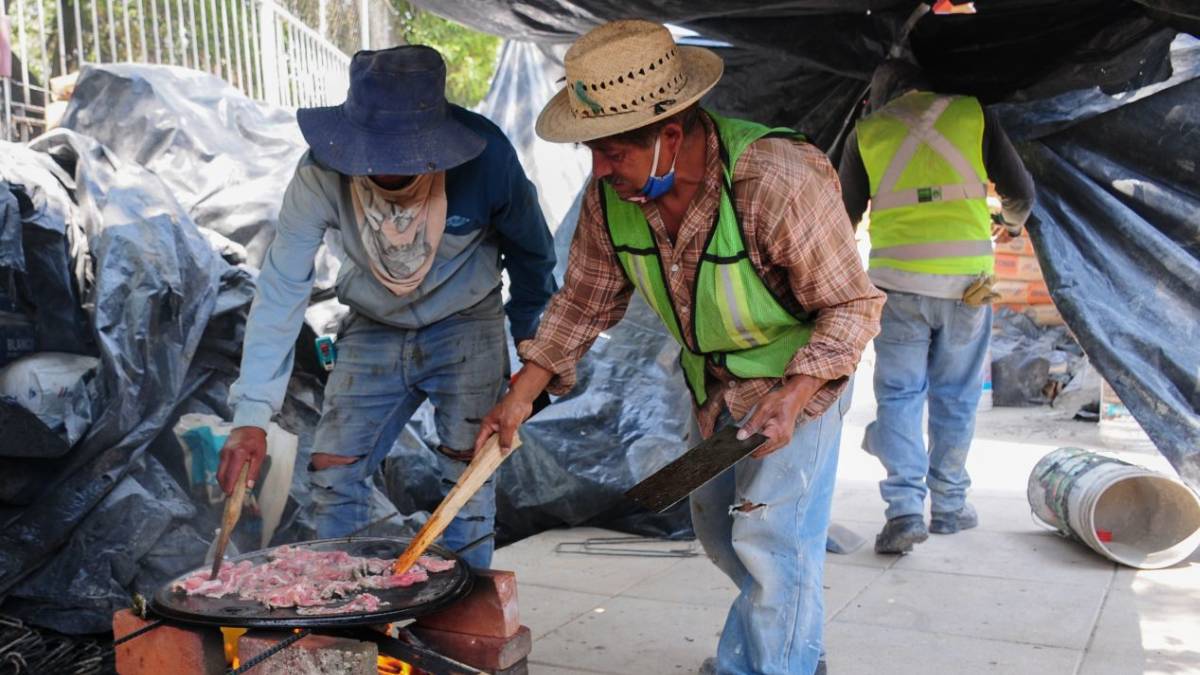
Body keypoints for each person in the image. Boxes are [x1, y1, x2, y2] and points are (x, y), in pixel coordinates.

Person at [476, 20, 884, 675]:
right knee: (720, 531)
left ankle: (776, 663)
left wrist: (793, 396)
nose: (599, 170)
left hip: (799, 381)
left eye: (613, 153)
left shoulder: (776, 179)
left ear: (669, 136)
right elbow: (581, 302)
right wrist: (520, 395)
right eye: (592, 152)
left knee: (772, 539)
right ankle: (790, 646)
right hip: (714, 386)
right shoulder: (611, 199)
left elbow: (852, 306)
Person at [215, 45, 557, 569]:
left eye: (404, 156)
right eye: (374, 154)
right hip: (373, 323)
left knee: (468, 476)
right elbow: (282, 288)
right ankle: (344, 601)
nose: (387, 168)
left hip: (467, 322)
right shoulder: (320, 172)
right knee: (333, 471)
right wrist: (251, 415)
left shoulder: (487, 157)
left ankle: (464, 608)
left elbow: (533, 255)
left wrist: (531, 352)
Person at [837, 60, 1035, 554]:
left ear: (882, 96)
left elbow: (842, 217)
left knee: (900, 395)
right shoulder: (972, 114)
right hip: (967, 285)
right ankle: (948, 506)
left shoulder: (868, 131)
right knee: (957, 395)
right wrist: (1010, 225)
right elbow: (1021, 194)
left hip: (897, 286)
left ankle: (904, 510)